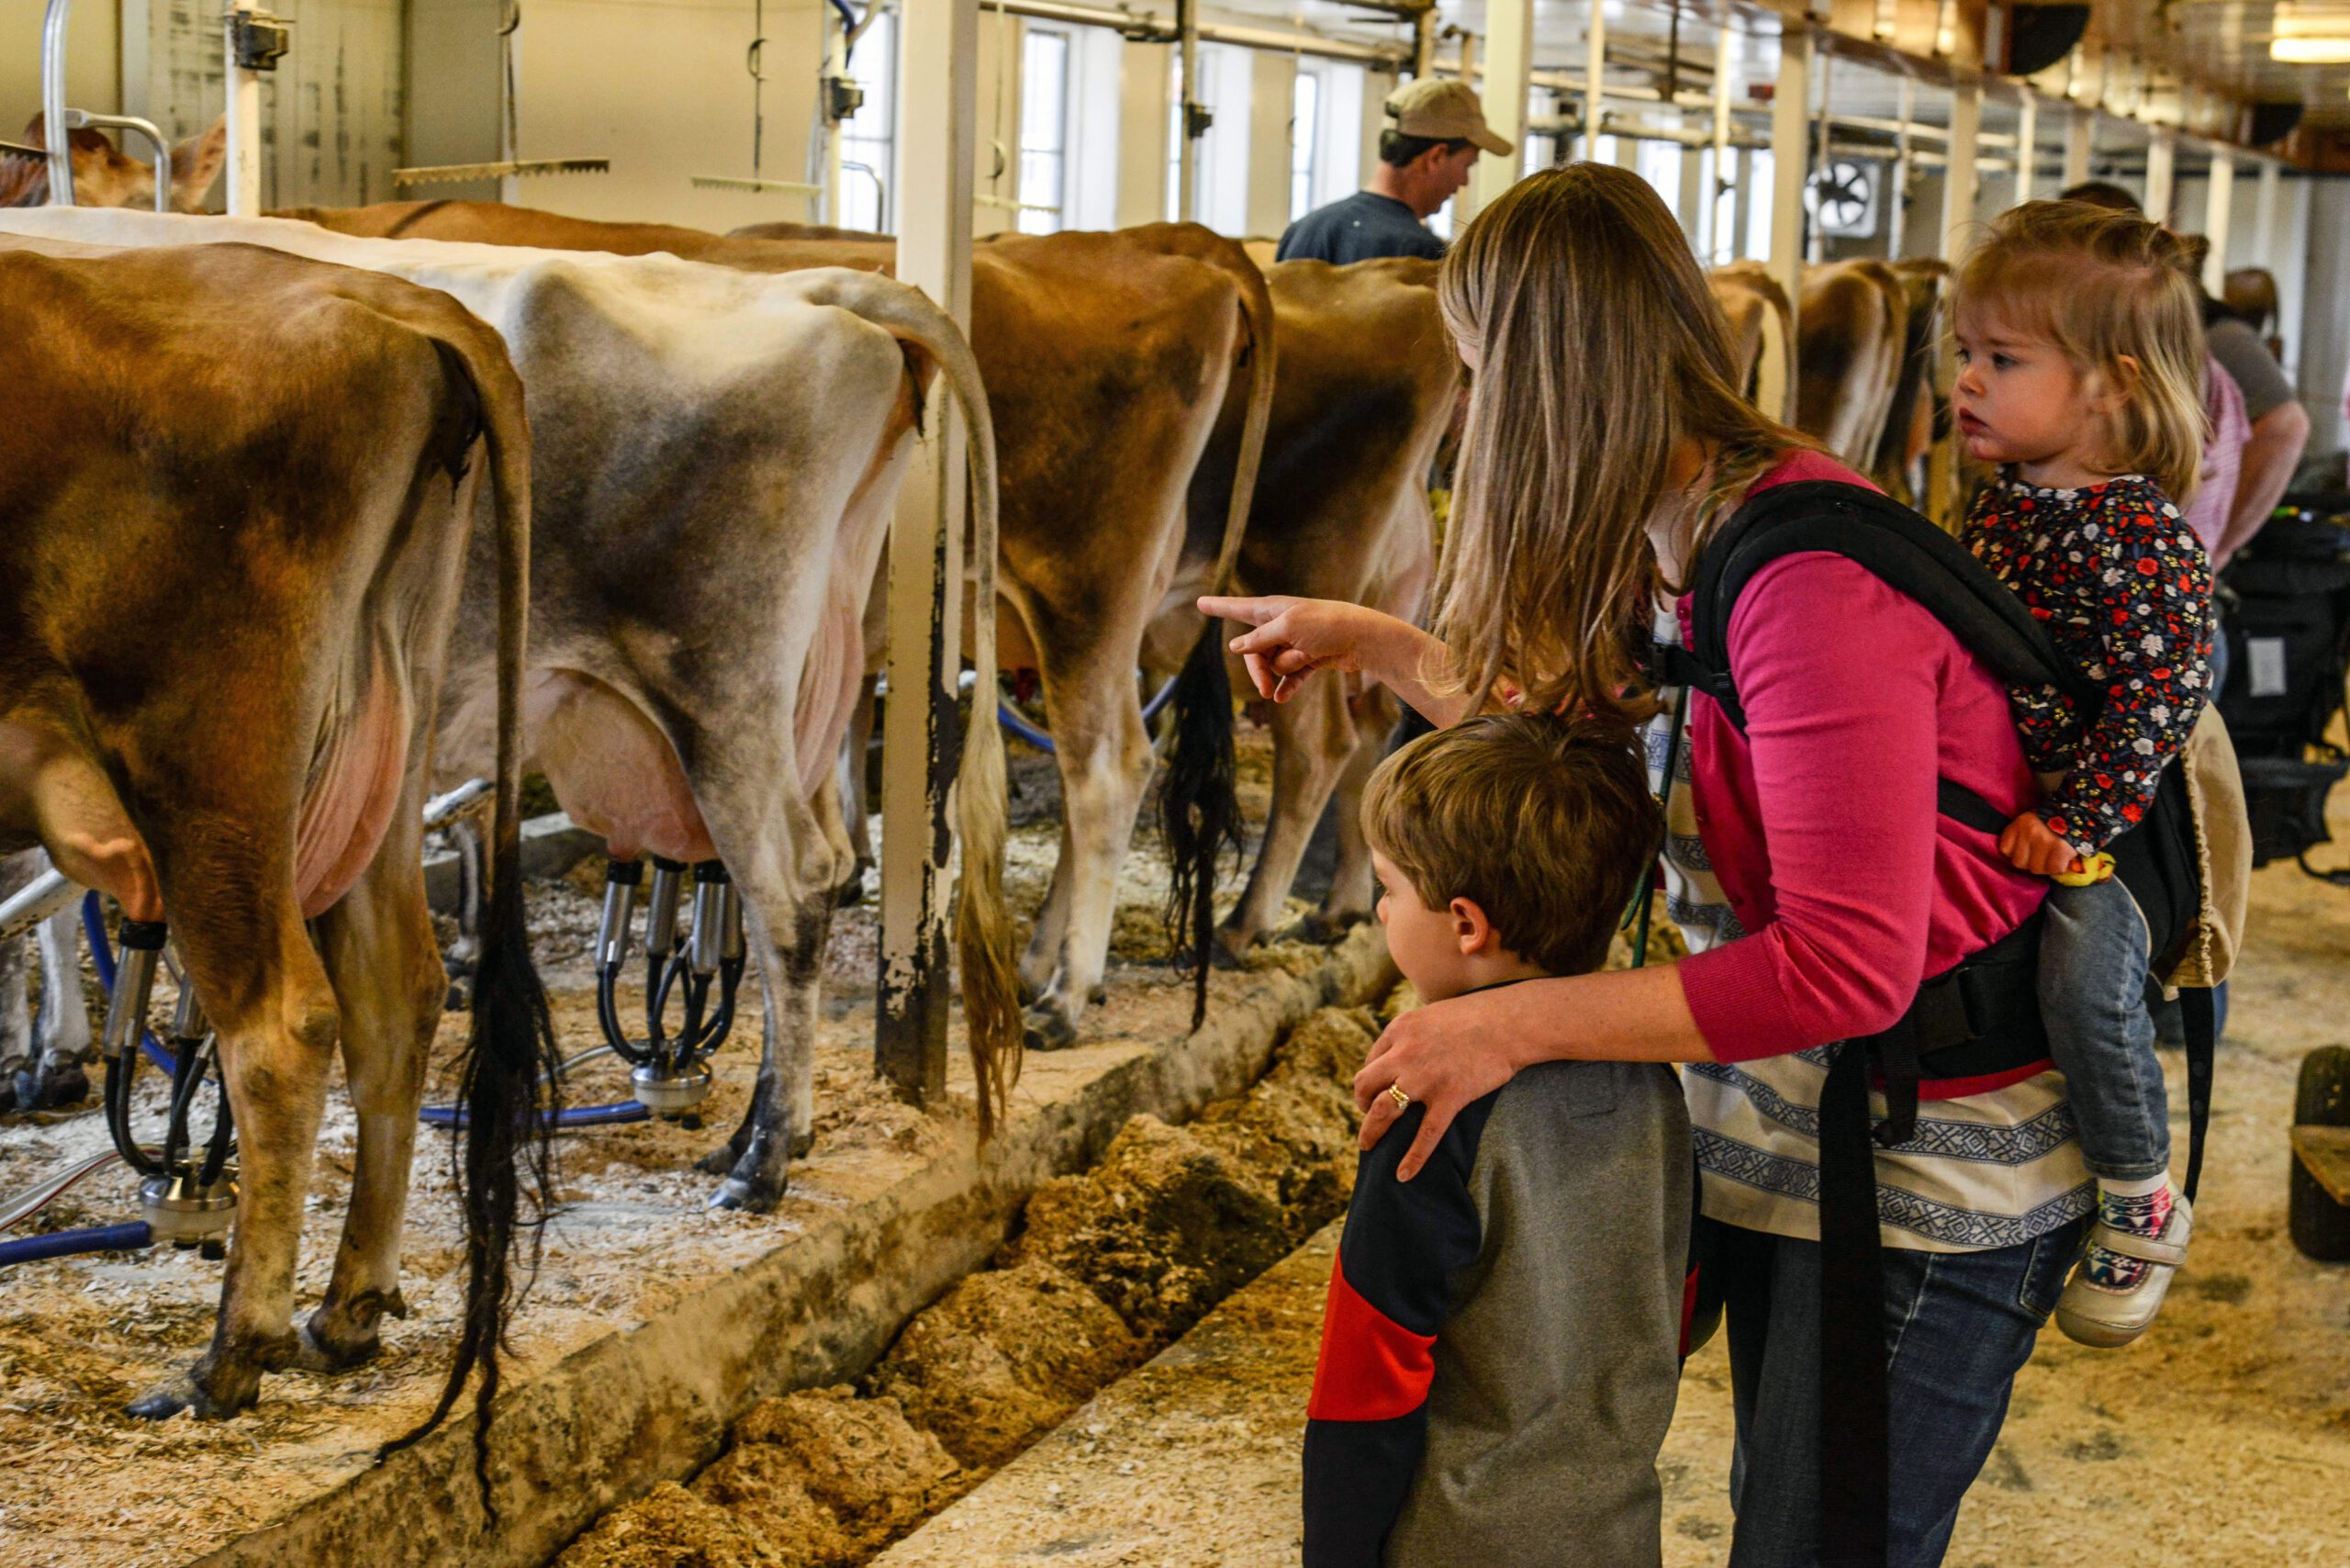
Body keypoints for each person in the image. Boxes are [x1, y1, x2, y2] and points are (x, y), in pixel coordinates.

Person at [1204, 162, 2091, 1567]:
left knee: (1815, 1544)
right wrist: (1367, 639)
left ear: (1551, 375)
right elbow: (1591, 739)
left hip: (1929, 1161)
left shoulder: (1805, 579)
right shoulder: (1680, 531)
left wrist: (1499, 1024)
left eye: (1484, 370)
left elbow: (1849, 966)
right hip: (1785, 1119)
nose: (1475, 411)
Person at [1298, 712, 1688, 1568]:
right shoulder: (1655, 1079)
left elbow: (1371, 1369)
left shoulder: (1433, 1108)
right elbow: (1677, 1300)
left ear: (1466, 925)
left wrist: (1335, 1550)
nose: (1379, 908)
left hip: (1454, 1535)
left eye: (1390, 888)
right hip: (1612, 1526)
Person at [1949, 200, 2214, 1344]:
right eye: (1964, 353)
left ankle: (2138, 1188)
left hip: (2108, 821)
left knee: (2077, 971)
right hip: (2004, 790)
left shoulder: (2140, 534)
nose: (1965, 381)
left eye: (2001, 361)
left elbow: (2163, 696)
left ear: (2107, 384)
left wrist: (2077, 826)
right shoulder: (2007, 504)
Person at [2060, 180, 2311, 567]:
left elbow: (2287, 427)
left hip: (2160, 574)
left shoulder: (2212, 334)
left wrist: (2220, 546)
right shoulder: (2115, 334)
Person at [1275, 79, 1512, 265]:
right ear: (1436, 157)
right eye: (1467, 165)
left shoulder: (1304, 230)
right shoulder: (1419, 254)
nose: (1464, 181)